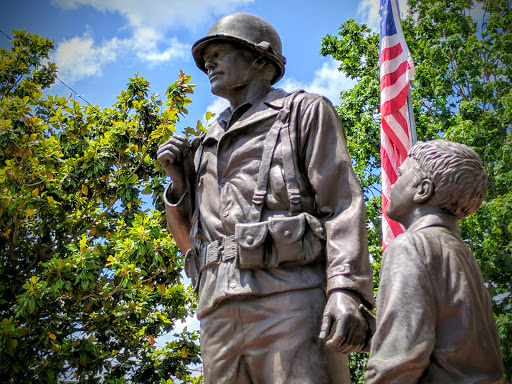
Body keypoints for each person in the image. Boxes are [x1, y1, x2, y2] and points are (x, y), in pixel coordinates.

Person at [157, 13, 374, 383]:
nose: (208, 62)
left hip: (289, 297)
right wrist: (178, 185)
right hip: (217, 309)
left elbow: (341, 204)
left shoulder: (303, 112)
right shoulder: (205, 141)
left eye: (220, 52)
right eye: (206, 56)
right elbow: (192, 240)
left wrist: (346, 288)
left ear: (261, 58)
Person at [365, 140, 505, 383]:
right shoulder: (462, 253)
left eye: (400, 175)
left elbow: (399, 363)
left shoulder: (411, 247)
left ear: (422, 190)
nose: (392, 184)